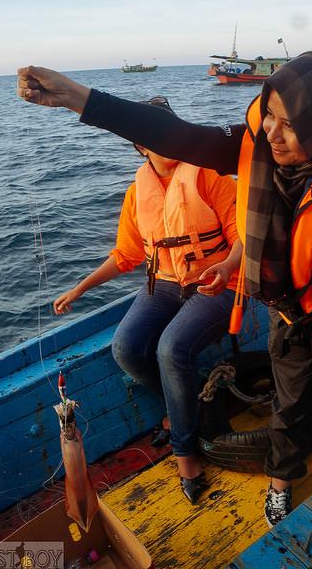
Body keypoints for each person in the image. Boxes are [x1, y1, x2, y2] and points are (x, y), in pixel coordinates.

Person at [17, 51, 312, 527]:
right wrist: (80, 99)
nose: (270, 133)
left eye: (289, 124)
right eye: (267, 114)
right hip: (294, 313)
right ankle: (281, 482)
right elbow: (186, 138)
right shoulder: (261, 146)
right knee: (289, 406)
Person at [51, 95, 242, 504]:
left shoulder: (210, 176)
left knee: (171, 349)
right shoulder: (137, 193)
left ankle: (186, 451)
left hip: (219, 284)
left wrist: (226, 267)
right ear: (140, 144)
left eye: (174, 132)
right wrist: (81, 288)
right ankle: (184, 406)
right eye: (157, 135)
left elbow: (244, 234)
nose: (170, 141)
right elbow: (126, 255)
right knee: (127, 349)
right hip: (166, 284)